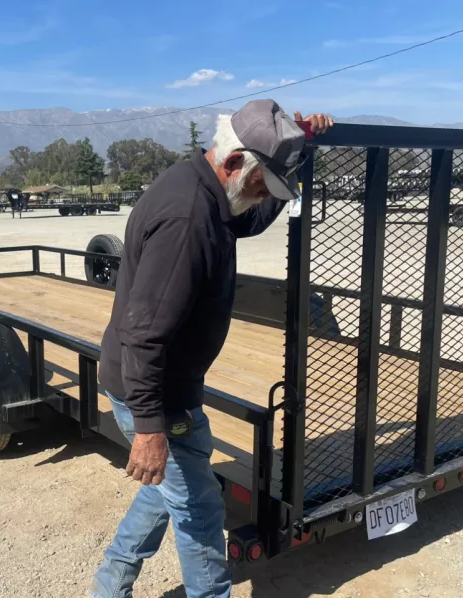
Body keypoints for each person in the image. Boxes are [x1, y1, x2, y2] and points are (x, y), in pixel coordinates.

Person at [91, 99, 333, 598]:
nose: (263, 194)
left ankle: (109, 587)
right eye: (262, 183)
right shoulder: (188, 219)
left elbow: (249, 219)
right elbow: (143, 335)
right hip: (154, 393)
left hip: (170, 387)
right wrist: (149, 429)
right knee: (200, 509)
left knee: (170, 491)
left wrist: (302, 144)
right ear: (234, 161)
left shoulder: (207, 186)